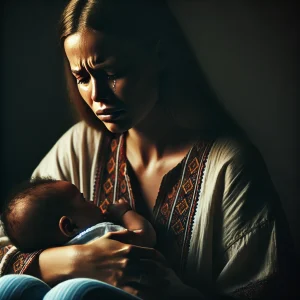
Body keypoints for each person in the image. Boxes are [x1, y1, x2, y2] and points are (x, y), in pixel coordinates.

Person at [0, 0, 297, 299]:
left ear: (160, 55)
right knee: (13, 287)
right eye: (82, 78)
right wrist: (75, 261)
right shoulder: (81, 146)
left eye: (111, 72)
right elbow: (6, 239)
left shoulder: (228, 166)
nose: (97, 96)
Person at [1, 177, 156, 253]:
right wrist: (124, 213)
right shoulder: (101, 234)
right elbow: (145, 238)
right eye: (83, 199)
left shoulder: (57, 256)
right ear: (69, 226)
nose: (91, 201)